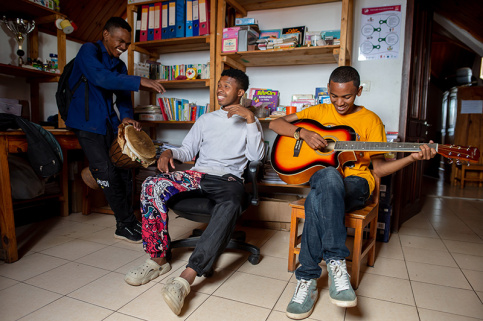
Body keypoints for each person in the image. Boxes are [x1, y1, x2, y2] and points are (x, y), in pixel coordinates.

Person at [269, 66, 436, 320]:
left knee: (318, 196)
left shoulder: (371, 120)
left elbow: (379, 169)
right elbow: (275, 123)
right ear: (328, 91)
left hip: (358, 184)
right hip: (326, 181)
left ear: (358, 91)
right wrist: (302, 132)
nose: (339, 103)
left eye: (346, 97)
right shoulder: (318, 112)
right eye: (334, 96)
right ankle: (336, 263)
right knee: (328, 175)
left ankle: (308, 279)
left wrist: (412, 158)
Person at [124, 69, 265, 315]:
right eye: (219, 85)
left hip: (227, 179)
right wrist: (169, 152)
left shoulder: (251, 123)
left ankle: (185, 278)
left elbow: (256, 158)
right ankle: (157, 259)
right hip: (197, 175)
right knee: (151, 184)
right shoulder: (206, 119)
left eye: (227, 86)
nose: (221, 89)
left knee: (232, 202)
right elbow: (187, 151)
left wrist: (251, 119)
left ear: (240, 92)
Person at [66, 17, 166, 243]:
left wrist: (128, 117)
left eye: (127, 44)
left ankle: (127, 214)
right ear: (105, 35)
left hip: (109, 122)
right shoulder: (88, 51)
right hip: (85, 122)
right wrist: (140, 81)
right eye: (120, 41)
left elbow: (122, 96)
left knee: (124, 167)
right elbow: (101, 78)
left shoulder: (119, 65)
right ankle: (124, 224)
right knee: (107, 171)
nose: (123, 47)